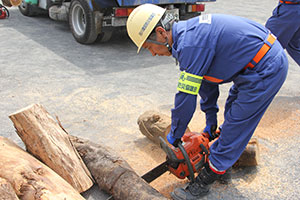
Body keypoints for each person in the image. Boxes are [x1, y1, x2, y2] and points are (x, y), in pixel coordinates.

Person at [126, 4, 288, 200]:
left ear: (161, 33)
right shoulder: (186, 39)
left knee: (237, 124)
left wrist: (175, 136)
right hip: (250, 68)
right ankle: (223, 166)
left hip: (266, 67)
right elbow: (205, 83)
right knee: (231, 112)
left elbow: (185, 99)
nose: (152, 53)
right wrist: (211, 123)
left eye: (149, 47)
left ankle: (203, 183)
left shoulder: (190, 45)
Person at [265, 0, 300, 66]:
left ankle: (261, 72)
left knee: (268, 43)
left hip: (290, 9)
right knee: (294, 46)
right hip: (294, 8)